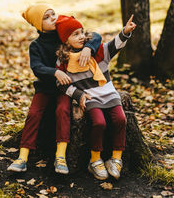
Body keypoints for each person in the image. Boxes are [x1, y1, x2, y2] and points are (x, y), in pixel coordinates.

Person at [7, 4, 102, 174]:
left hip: (65, 90)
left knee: (63, 110)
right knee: (34, 114)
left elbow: (95, 36)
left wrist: (88, 47)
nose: (53, 18)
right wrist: (55, 73)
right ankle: (23, 156)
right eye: (47, 17)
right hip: (44, 88)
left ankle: (61, 156)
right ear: (38, 25)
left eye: (53, 14)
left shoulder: (62, 35)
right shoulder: (36, 46)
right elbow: (37, 67)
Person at [55, 14, 136, 180]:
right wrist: (77, 94)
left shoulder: (97, 51)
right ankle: (95, 160)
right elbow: (61, 84)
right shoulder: (63, 61)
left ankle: (116, 158)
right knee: (99, 123)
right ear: (65, 40)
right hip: (90, 98)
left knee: (121, 120)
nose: (81, 37)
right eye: (75, 34)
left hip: (109, 93)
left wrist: (125, 32)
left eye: (81, 32)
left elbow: (114, 45)